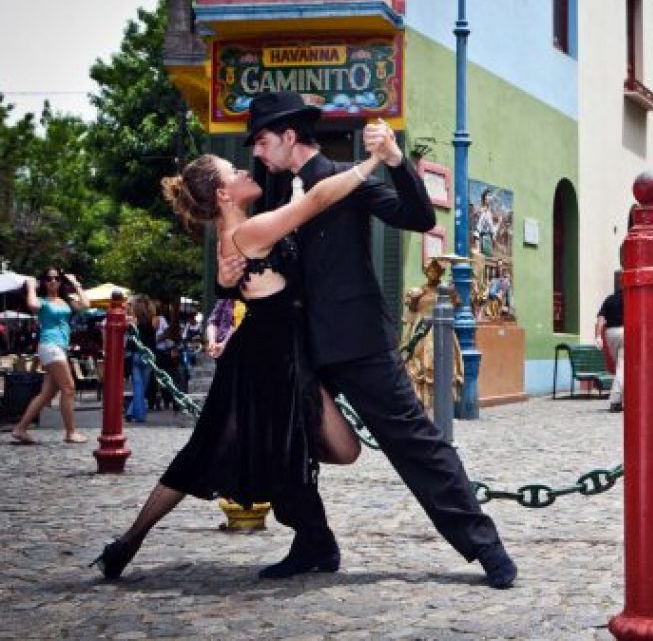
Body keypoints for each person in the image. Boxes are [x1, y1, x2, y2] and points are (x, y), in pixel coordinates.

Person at [227, 91, 516, 587]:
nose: (255, 150)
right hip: (298, 345)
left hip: (355, 339)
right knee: (284, 440)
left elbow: (419, 218)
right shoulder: (274, 193)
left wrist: (399, 162)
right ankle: (314, 543)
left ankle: (485, 548)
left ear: (289, 137)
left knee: (415, 443)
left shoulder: (346, 179)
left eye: (261, 140)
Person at [91, 138, 375, 581]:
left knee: (330, 449)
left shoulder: (246, 229)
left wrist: (219, 316)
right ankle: (129, 542)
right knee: (208, 455)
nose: (245, 172)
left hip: (282, 360)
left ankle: (310, 534)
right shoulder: (247, 232)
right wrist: (373, 162)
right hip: (262, 366)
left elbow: (240, 292)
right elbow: (318, 199)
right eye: (233, 171)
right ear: (223, 193)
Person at [9, 268, 89, 444]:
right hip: (50, 345)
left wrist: (76, 284)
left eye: (57, 278)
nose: (53, 281)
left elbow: (85, 305)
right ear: (43, 282)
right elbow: (32, 306)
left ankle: (20, 429)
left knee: (47, 394)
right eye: (49, 278)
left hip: (60, 347)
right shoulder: (42, 301)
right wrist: (31, 286)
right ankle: (70, 432)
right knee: (68, 388)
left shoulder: (65, 301)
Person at [401, 258, 462, 420]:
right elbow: (411, 313)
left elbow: (456, 305)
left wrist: (452, 292)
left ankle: (441, 408)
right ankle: (421, 407)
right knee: (419, 365)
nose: (433, 273)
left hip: (441, 330)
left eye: (436, 271)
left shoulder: (447, 290)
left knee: (442, 365)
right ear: (426, 272)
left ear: (441, 273)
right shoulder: (418, 291)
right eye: (430, 270)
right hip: (421, 330)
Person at [595, 273, 625, 414]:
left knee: (620, 366)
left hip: (610, 333)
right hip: (626, 332)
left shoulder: (609, 299)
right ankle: (615, 400)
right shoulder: (630, 298)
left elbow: (600, 319)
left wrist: (598, 337)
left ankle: (620, 398)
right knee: (622, 367)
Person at [126, 295, 158, 423]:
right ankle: (138, 415)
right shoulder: (154, 320)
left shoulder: (133, 320)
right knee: (143, 386)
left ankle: (132, 412)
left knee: (137, 385)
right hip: (148, 354)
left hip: (135, 354)